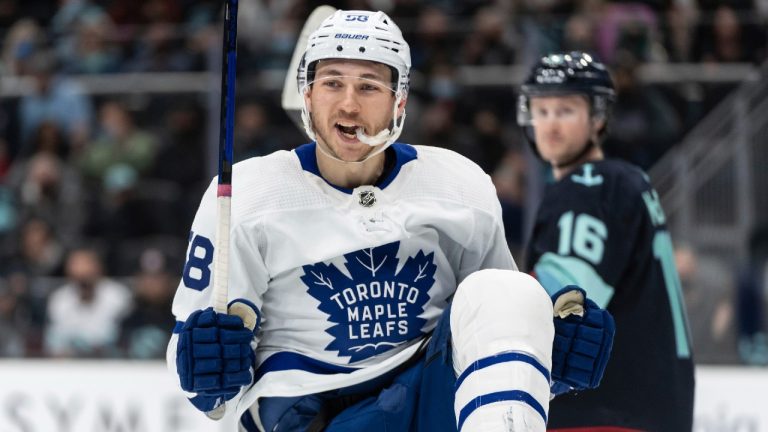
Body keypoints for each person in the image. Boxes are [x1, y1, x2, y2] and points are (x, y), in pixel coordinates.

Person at [167, 12, 613, 432]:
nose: (348, 104)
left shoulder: (459, 185)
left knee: (510, 290)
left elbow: (494, 326)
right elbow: (196, 359)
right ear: (307, 94)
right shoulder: (248, 195)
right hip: (312, 413)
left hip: (424, 398)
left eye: (368, 87)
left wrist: (550, 353)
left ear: (399, 100)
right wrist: (205, 370)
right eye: (332, 83)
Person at [517, 51, 695, 431]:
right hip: (654, 410)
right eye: (541, 110)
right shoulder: (628, 180)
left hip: (601, 414)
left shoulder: (589, 186)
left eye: (565, 110)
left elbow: (562, 303)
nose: (550, 124)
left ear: (598, 117)